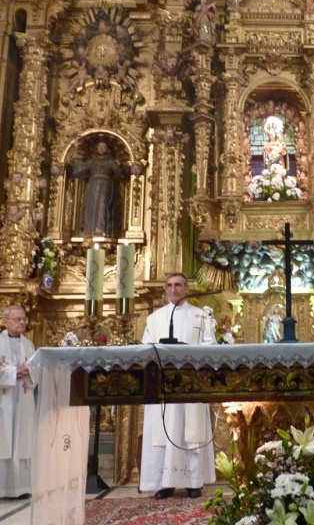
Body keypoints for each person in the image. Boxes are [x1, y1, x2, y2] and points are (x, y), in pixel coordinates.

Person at [139, 273, 217, 499]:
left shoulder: (200, 316)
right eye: (169, 286)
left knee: (189, 432)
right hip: (163, 385)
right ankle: (165, 483)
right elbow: (146, 348)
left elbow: (209, 346)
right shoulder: (154, 318)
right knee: (163, 430)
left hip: (190, 385)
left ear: (187, 288)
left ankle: (193, 482)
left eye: (178, 285)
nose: (173, 290)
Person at [0, 306, 36, 499]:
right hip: (3, 399)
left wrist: (29, 372)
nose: (22, 322)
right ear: (5, 322)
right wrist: (14, 372)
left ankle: (21, 488)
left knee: (21, 440)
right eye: (17, 319)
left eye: (24, 319)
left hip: (23, 398)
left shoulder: (29, 345)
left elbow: (36, 369)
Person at [71, 141, 122, 237]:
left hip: (105, 184)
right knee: (91, 205)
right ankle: (89, 230)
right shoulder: (93, 160)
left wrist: (121, 166)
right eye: (99, 146)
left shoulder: (110, 160)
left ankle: (101, 229)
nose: (101, 148)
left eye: (104, 146)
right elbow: (78, 171)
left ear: (108, 149)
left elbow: (119, 172)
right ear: (96, 149)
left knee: (102, 205)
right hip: (92, 185)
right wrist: (76, 158)